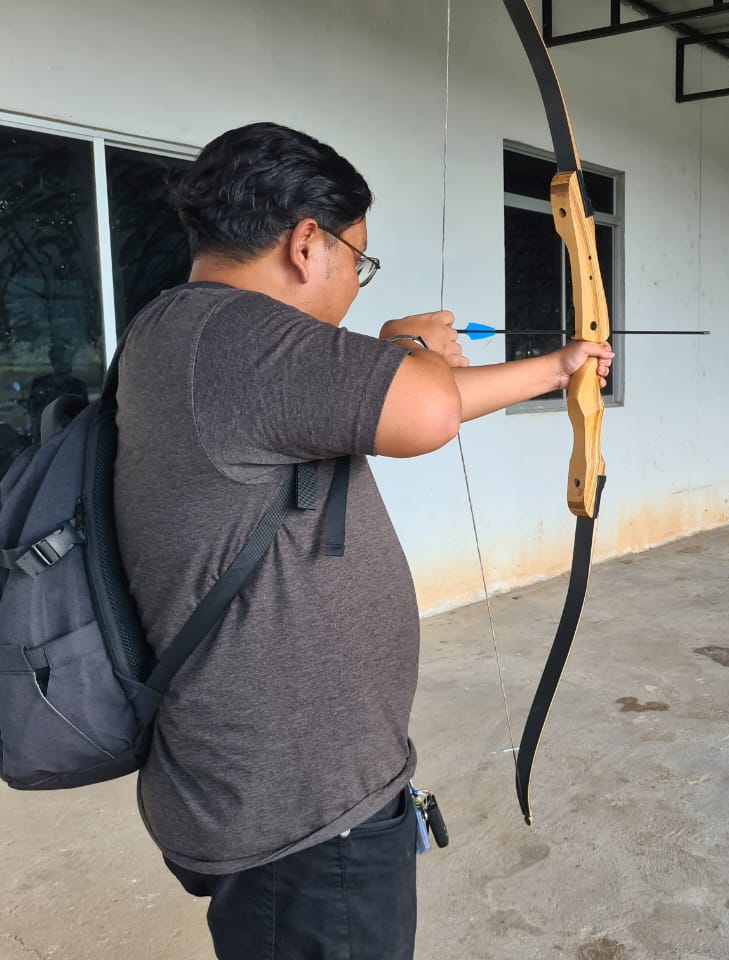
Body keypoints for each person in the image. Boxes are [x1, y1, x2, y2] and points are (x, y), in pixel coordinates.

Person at [112, 121, 612, 959]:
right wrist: (410, 346)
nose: (353, 280)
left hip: (293, 791)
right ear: (308, 242)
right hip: (300, 817)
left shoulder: (194, 336)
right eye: (358, 258)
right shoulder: (238, 340)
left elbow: (411, 402)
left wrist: (557, 369)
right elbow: (423, 404)